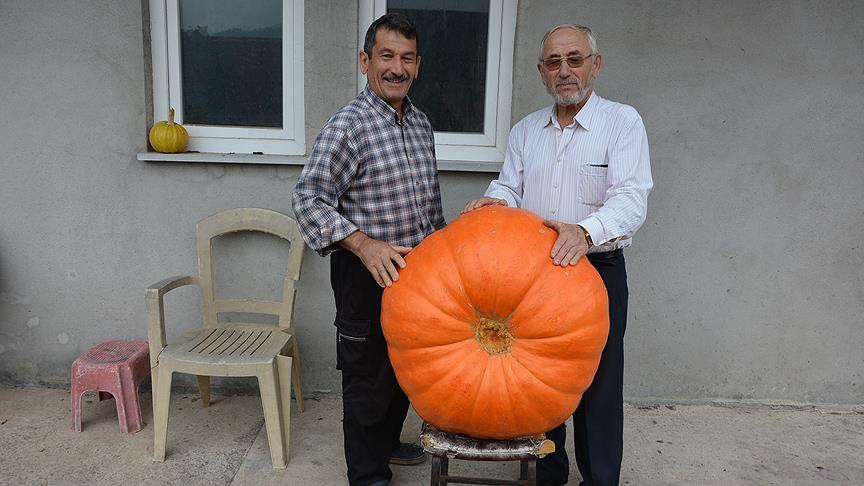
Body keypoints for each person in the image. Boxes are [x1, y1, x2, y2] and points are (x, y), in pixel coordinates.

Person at [463, 24, 653, 486]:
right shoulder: (527, 130)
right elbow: (510, 184)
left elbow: (631, 199)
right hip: (536, 274)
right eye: (554, 62)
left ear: (595, 64)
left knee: (598, 384)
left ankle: (600, 478)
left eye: (574, 59)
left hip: (597, 267)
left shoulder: (622, 123)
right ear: (542, 72)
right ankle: (548, 472)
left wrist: (585, 233)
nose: (565, 71)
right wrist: (495, 200)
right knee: (539, 378)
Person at [292, 13, 445, 486]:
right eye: (386, 56)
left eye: (406, 58)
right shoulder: (349, 126)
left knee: (404, 369)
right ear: (365, 61)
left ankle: (386, 444)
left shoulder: (419, 124)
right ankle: (367, 474)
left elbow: (430, 208)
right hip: (365, 274)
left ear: (418, 65)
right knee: (367, 378)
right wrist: (363, 244)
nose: (396, 68)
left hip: (414, 274)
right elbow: (307, 199)